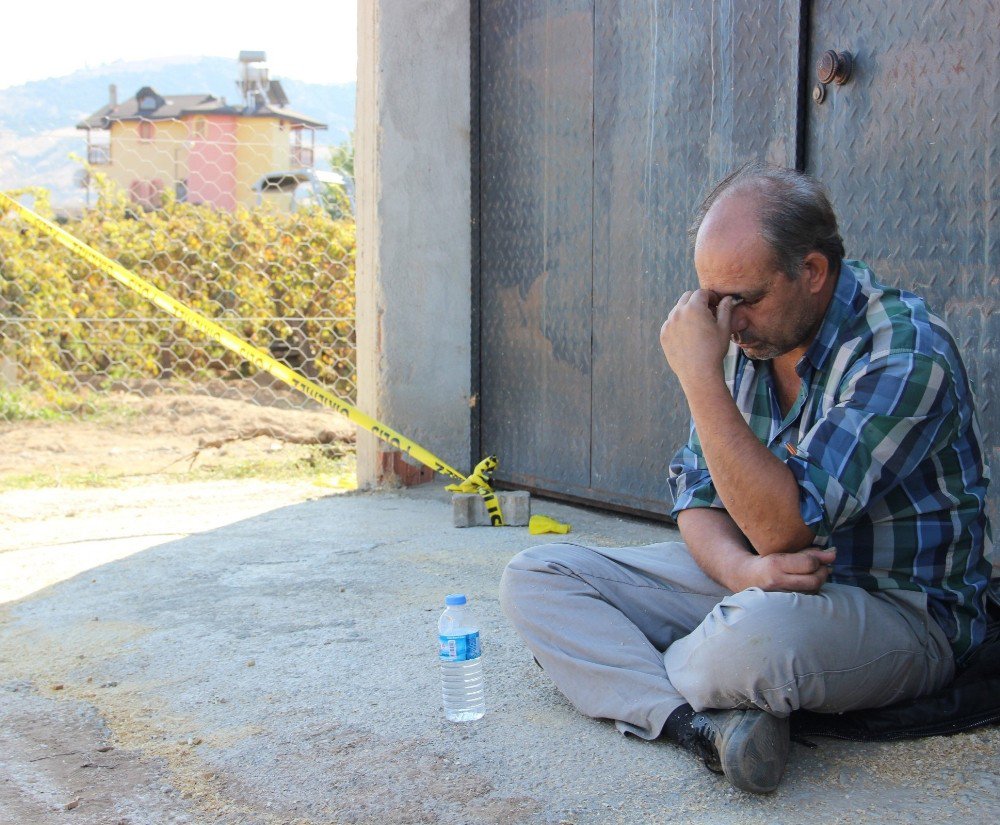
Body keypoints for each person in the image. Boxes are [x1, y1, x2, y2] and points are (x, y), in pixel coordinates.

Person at [499, 163, 993, 794]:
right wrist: (742, 574)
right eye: (713, 300)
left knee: (753, 643)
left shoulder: (904, 356)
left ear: (811, 273)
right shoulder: (750, 339)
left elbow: (785, 528)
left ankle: (637, 675)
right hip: (762, 583)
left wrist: (698, 379)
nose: (727, 323)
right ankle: (697, 725)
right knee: (537, 580)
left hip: (900, 612)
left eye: (745, 299)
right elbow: (696, 499)